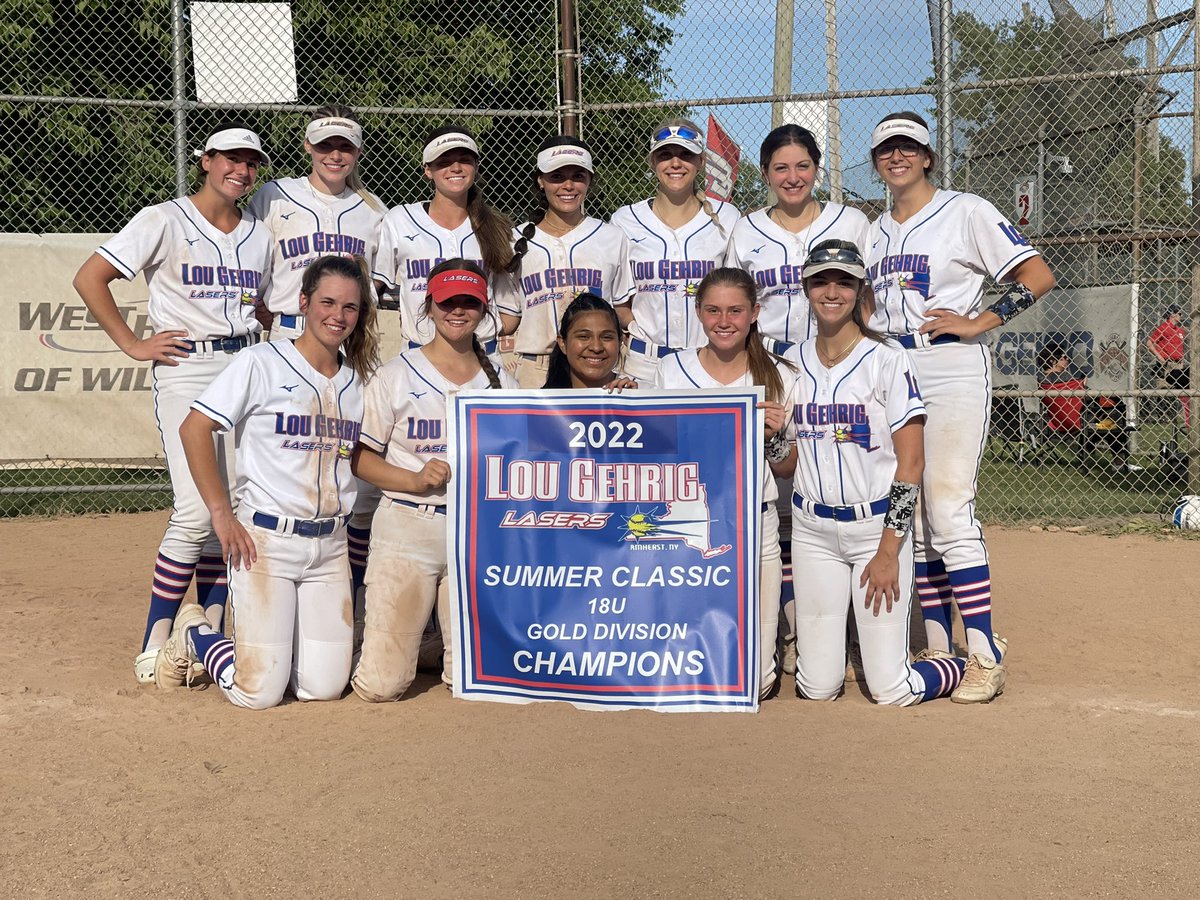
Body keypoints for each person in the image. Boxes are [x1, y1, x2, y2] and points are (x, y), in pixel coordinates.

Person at [864, 111, 1056, 702]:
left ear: (927, 156)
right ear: (876, 162)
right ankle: (940, 647)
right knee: (913, 516)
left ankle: (985, 652)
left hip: (948, 363)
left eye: (908, 148)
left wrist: (980, 321)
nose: (897, 157)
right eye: (886, 150)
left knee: (947, 511)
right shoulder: (874, 229)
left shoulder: (966, 209)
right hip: (893, 364)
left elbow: (1039, 275)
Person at [73, 122, 273, 684]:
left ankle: (207, 627)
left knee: (230, 504)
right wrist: (134, 344)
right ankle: (155, 636)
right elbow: (91, 277)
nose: (241, 169)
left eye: (251, 161)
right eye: (230, 158)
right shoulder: (163, 218)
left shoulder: (259, 234)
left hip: (246, 364)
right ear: (205, 160)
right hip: (188, 368)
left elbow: (260, 304)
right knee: (195, 508)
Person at [153, 254, 379, 708]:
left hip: (330, 547)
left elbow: (359, 461)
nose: (337, 315)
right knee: (258, 693)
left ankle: (274, 647)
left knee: (323, 689)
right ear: (303, 301)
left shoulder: (358, 382)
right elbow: (193, 428)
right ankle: (195, 633)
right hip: (267, 543)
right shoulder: (262, 362)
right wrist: (221, 513)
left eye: (350, 307)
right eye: (327, 302)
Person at [776, 239, 969, 705]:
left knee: (890, 691)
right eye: (821, 280)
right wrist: (774, 437)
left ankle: (959, 663)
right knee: (816, 687)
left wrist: (888, 550)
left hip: (873, 530)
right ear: (805, 288)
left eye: (845, 281)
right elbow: (785, 464)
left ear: (862, 291)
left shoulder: (887, 359)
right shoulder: (792, 362)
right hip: (811, 531)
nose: (832, 291)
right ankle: (847, 653)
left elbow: (912, 464)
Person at [248, 104, 388, 644]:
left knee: (338, 473)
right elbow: (250, 263)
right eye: (325, 144)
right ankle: (254, 606)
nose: (335, 154)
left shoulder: (370, 210)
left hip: (346, 346)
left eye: (345, 146)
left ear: (357, 152)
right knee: (268, 477)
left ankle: (339, 602)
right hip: (284, 338)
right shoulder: (274, 197)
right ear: (308, 147)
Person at [350, 260, 516, 702]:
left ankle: (424, 641)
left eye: (469, 302)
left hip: (476, 535)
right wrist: (414, 478)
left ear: (484, 309)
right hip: (408, 524)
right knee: (381, 688)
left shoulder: (502, 382)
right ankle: (386, 642)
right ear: (429, 306)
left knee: (474, 684)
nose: (457, 311)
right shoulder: (396, 374)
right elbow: (362, 461)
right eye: (447, 302)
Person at [656, 268, 795, 699]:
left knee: (757, 682)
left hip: (755, 521)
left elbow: (788, 468)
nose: (724, 320)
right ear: (697, 312)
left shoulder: (780, 374)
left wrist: (772, 441)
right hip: (688, 524)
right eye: (713, 310)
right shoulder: (670, 370)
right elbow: (655, 454)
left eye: (736, 310)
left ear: (754, 313)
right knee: (680, 661)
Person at [497, 135, 636, 388]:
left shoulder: (611, 237)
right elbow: (509, 318)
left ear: (590, 181)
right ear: (540, 181)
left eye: (578, 176)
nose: (568, 185)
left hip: (596, 365)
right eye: (557, 176)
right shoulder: (515, 241)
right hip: (535, 366)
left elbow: (621, 309)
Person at [609, 119, 740, 382]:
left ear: (701, 161)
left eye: (686, 155)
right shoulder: (625, 220)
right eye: (665, 155)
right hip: (643, 364)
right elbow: (618, 301)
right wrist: (639, 326)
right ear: (652, 161)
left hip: (707, 359)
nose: (676, 163)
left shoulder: (727, 217)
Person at [372, 125, 513, 358]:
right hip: (420, 355)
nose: (455, 167)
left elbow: (510, 308)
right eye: (444, 161)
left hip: (483, 356)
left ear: (476, 167)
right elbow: (376, 286)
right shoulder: (400, 220)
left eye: (464, 160)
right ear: (428, 169)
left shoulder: (496, 227)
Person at [728, 123, 871, 349]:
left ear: (816, 167)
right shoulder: (746, 229)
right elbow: (735, 302)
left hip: (840, 354)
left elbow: (870, 295)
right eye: (781, 168)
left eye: (803, 166)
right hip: (767, 357)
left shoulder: (851, 222)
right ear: (765, 173)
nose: (793, 178)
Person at [1036, 343, 1137, 471]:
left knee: (1107, 420)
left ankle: (1089, 453)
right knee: (1115, 418)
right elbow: (1086, 393)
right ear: (1052, 361)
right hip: (1078, 421)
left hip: (1056, 423)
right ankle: (1119, 463)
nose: (1067, 359)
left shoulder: (1041, 381)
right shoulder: (1068, 379)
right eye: (1063, 357)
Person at [544, 293, 637, 390]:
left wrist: (633, 401)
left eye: (606, 337)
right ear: (562, 343)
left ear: (619, 341)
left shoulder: (642, 391)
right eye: (583, 337)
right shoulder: (540, 402)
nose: (596, 347)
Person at [1147, 305, 1190, 426]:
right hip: (1168, 364)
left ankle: (1181, 416)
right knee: (1165, 391)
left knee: (1181, 391)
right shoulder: (1164, 328)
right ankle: (1164, 417)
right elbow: (1149, 343)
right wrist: (1160, 357)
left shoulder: (1179, 330)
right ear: (1173, 314)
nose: (1181, 316)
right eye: (1180, 314)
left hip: (1179, 364)